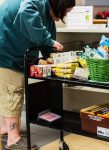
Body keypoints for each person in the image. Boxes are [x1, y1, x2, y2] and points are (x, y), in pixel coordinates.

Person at [0, 0, 75, 149]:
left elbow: (48, 45)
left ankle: (4, 130)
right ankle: (13, 140)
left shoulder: (48, 16)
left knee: (9, 91)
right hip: (6, 51)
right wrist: (49, 41)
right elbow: (25, 12)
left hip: (15, 51)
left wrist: (53, 59)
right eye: (66, 11)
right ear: (59, 5)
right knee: (13, 91)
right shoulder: (36, 2)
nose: (65, 15)